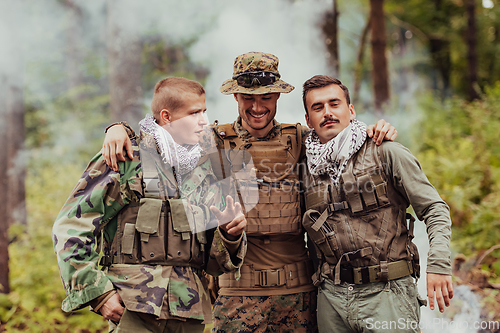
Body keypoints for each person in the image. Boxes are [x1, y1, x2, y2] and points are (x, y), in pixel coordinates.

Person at [102, 52, 397, 333]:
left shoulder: (300, 140)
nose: (257, 107)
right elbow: (162, 135)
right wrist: (119, 129)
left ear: (278, 95)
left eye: (266, 97)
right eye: (247, 98)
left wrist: (375, 130)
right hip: (235, 295)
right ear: (235, 96)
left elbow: (341, 135)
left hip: (299, 294)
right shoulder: (211, 141)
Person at [52, 77, 248, 333]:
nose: (204, 120)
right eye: (194, 113)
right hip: (135, 309)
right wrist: (98, 293)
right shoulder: (126, 156)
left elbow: (212, 262)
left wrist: (230, 235)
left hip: (188, 311)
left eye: (204, 111)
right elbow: (70, 226)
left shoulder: (204, 168)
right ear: (166, 116)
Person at [300, 75, 453, 333]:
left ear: (350, 110)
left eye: (334, 104)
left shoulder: (385, 152)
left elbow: (434, 209)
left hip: (387, 294)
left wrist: (438, 264)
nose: (327, 112)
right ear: (308, 120)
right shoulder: (305, 167)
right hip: (332, 300)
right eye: (317, 107)